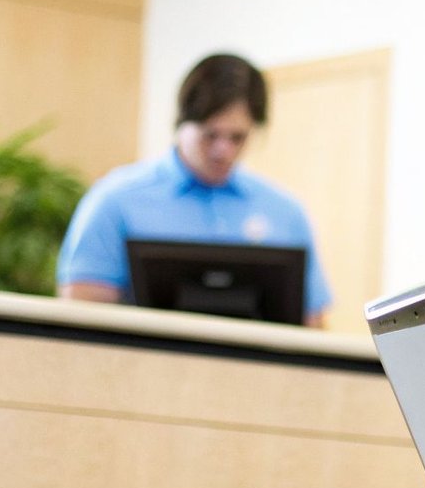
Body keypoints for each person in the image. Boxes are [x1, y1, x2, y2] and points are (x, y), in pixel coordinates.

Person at [57, 52, 333, 327]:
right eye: (210, 135)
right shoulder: (115, 200)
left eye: (237, 137)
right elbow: (83, 313)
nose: (223, 150)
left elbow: (312, 324)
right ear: (182, 123)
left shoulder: (285, 212)